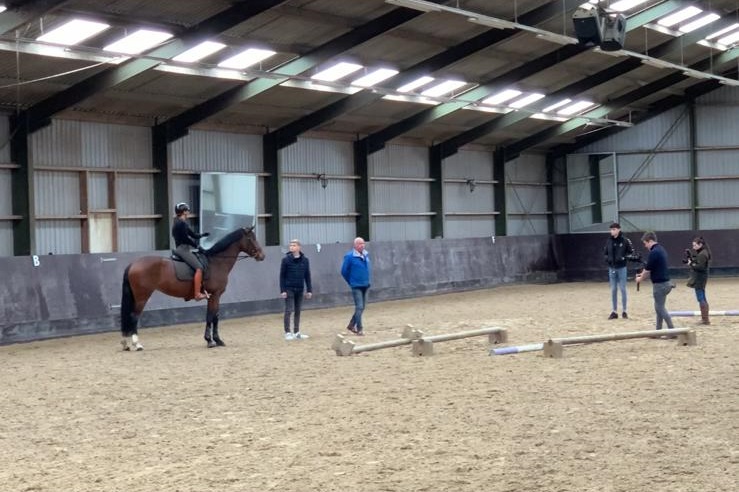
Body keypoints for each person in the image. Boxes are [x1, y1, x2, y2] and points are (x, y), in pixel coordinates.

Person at [635, 231, 674, 331]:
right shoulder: (661, 249)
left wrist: (640, 278)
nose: (645, 246)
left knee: (660, 308)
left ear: (650, 241)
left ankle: (673, 330)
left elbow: (647, 270)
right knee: (659, 308)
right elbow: (650, 268)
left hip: (659, 285)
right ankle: (658, 330)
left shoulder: (654, 252)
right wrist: (642, 274)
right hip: (666, 283)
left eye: (645, 243)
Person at [172, 202, 210, 301]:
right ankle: (197, 294)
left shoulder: (180, 222)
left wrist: (202, 235)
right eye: (187, 210)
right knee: (199, 268)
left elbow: (193, 235)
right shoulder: (181, 224)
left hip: (183, 248)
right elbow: (186, 239)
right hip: (183, 249)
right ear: (184, 211)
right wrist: (198, 246)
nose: (188, 212)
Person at [279, 239, 313, 340]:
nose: (291, 247)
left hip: (300, 288)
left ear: (299, 247)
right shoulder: (285, 260)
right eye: (291, 245)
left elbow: (307, 276)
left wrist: (309, 290)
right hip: (289, 288)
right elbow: (282, 276)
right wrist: (283, 290)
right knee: (289, 310)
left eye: (294, 245)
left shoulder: (305, 260)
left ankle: (296, 331)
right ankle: (287, 332)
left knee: (298, 311)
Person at [603, 222, 634, 320]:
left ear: (618, 229)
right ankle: (614, 311)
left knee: (623, 289)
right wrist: (607, 259)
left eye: (614, 229)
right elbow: (605, 253)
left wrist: (624, 258)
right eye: (611, 229)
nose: (612, 231)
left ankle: (624, 311)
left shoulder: (625, 241)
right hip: (612, 268)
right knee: (613, 289)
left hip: (621, 268)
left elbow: (631, 252)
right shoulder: (608, 241)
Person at [341, 237, 371, 336]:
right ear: (355, 245)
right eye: (359, 244)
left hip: (365, 284)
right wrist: (351, 281)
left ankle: (351, 324)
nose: (362, 245)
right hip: (356, 285)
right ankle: (359, 328)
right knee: (359, 307)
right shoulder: (349, 256)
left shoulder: (366, 254)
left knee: (362, 307)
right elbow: (344, 271)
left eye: (363, 243)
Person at [685, 236, 711, 325]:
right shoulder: (703, 253)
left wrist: (691, 264)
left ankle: (705, 319)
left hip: (700, 278)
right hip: (702, 278)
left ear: (700, 244)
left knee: (701, 298)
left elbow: (700, 267)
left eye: (695, 245)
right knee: (702, 297)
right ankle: (705, 318)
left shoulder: (702, 254)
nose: (693, 247)